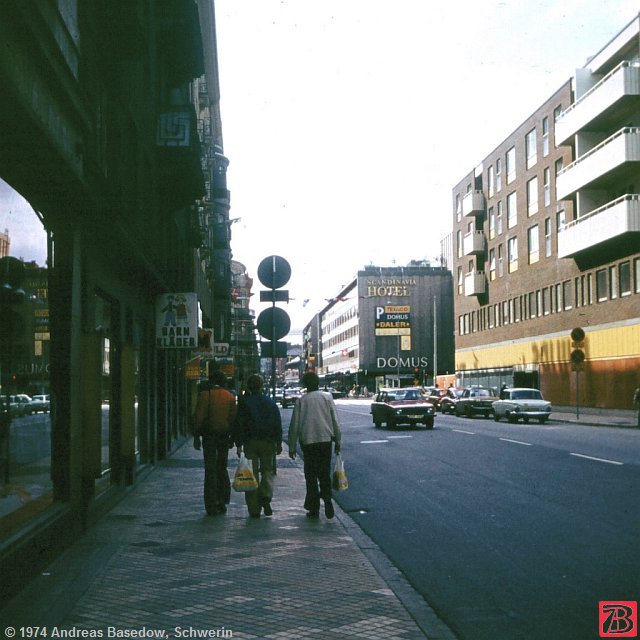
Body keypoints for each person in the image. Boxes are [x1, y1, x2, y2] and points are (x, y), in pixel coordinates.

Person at [288, 371, 342, 519]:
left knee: (311, 476)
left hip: (308, 442)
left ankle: (314, 508)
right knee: (324, 473)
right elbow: (335, 421)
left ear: (305, 385)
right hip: (325, 441)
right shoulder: (327, 397)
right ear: (318, 383)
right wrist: (338, 441)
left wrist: (292, 446)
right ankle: (328, 500)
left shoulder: (301, 401)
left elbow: (294, 425)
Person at [233, 373, 283, 518]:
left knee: (251, 473)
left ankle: (254, 509)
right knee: (267, 471)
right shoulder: (270, 402)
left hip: (250, 442)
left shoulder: (245, 403)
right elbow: (277, 423)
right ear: (262, 386)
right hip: (267, 441)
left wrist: (238, 444)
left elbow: (239, 424)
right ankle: (266, 496)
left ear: (249, 386)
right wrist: (278, 442)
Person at [192, 370, 237, 515]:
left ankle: (211, 504)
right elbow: (233, 420)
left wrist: (196, 436)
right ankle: (222, 500)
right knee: (222, 467)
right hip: (223, 436)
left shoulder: (205, 395)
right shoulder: (230, 397)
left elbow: (198, 417)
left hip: (209, 436)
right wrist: (232, 438)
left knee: (210, 469)